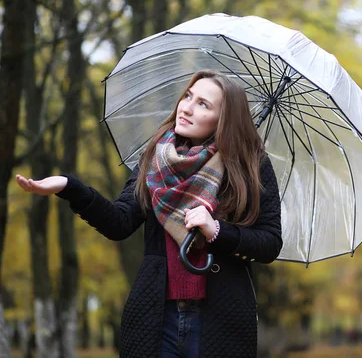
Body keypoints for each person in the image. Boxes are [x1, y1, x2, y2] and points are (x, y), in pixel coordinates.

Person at [16, 70, 283, 358]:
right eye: (188, 96)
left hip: (220, 317)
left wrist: (217, 230)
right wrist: (70, 186)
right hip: (156, 316)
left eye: (203, 104)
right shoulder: (155, 158)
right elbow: (119, 223)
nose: (187, 108)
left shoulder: (250, 167)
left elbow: (269, 243)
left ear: (224, 120)